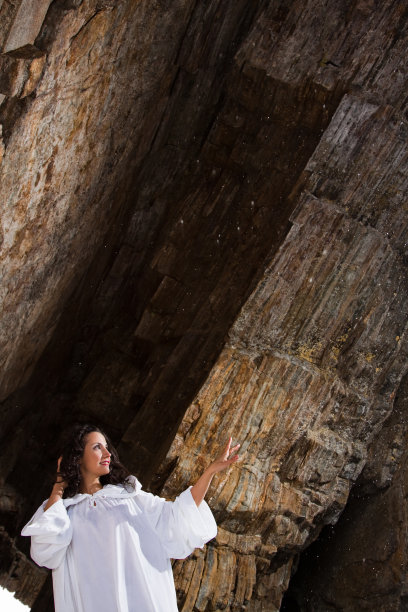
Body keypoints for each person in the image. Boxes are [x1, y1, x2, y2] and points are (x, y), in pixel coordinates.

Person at [21, 424, 240, 612]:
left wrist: (210, 471)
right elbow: (44, 551)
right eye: (97, 447)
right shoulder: (64, 511)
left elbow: (176, 516)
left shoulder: (130, 498)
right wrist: (59, 486)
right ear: (77, 457)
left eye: (107, 447)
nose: (108, 454)